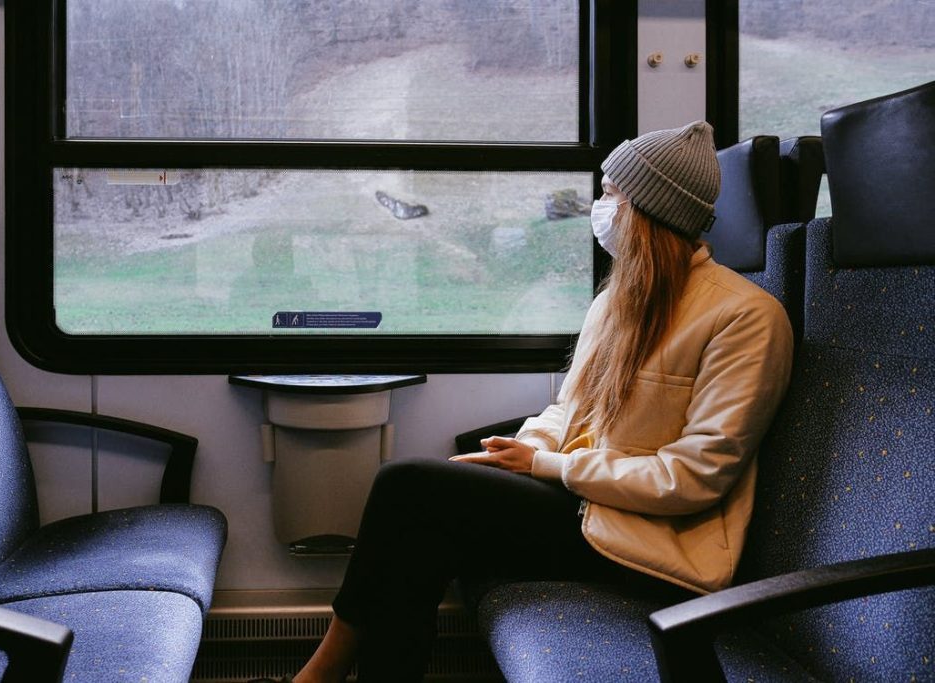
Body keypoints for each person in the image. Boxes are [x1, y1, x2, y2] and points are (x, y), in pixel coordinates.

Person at [281, 121, 794, 683]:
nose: (600, 208)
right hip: (586, 506)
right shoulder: (620, 301)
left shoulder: (745, 318)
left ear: (648, 212)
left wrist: (548, 467)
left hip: (651, 544)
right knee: (420, 527)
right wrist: (522, 453)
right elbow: (567, 412)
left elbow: (695, 477)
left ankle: (320, 675)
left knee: (408, 489)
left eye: (611, 195)